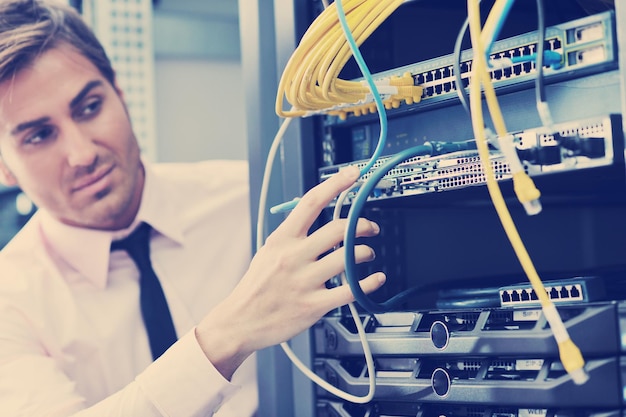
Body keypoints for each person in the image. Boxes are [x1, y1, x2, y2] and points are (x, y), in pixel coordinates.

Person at [0, 0, 386, 416]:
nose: (81, 153)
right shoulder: (11, 299)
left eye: (90, 107)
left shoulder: (257, 200)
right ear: (5, 167)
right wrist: (230, 333)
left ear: (121, 96)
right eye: (39, 135)